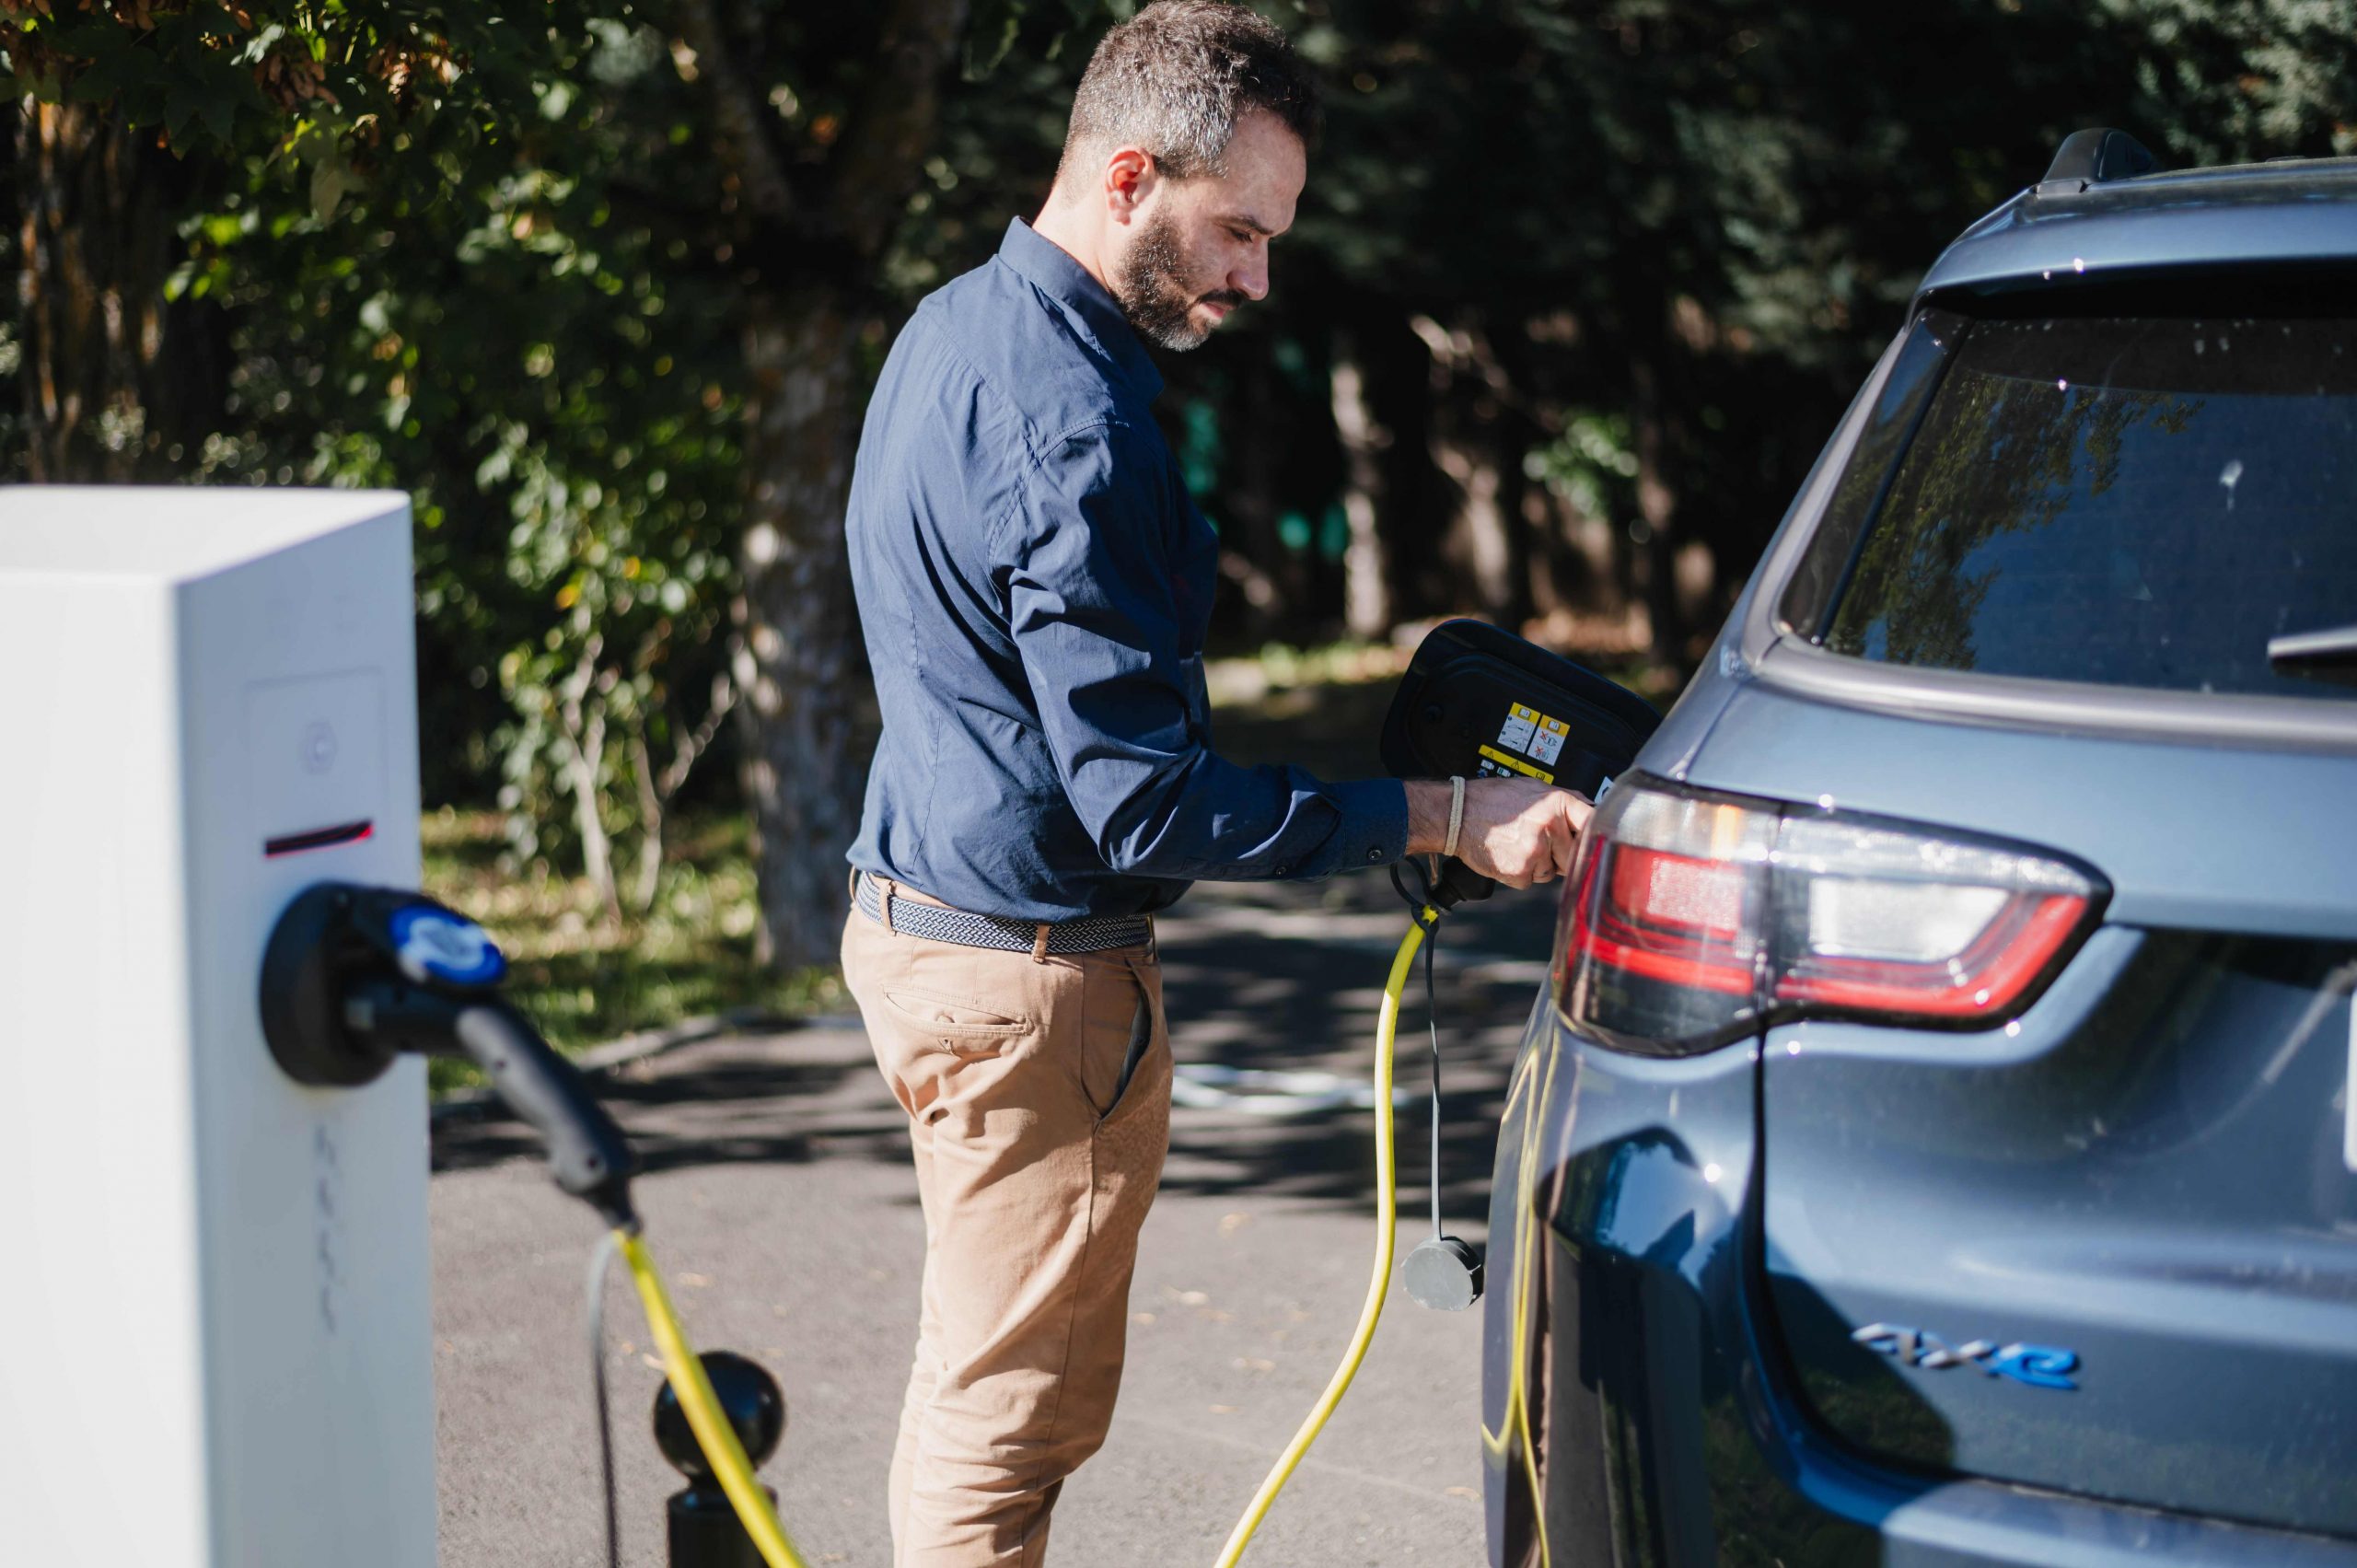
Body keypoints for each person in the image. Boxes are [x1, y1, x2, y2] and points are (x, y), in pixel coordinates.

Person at [839, 4, 1589, 1562]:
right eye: (1237, 231)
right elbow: (1147, 803)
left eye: (1273, 236)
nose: (1258, 276)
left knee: (974, 1385)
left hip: (922, 927)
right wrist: (1444, 819)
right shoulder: (1074, 426)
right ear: (1127, 177)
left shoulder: (952, 328)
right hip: (1027, 984)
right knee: (1009, 1424)